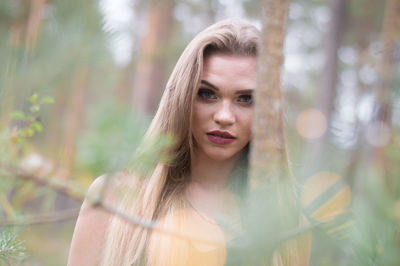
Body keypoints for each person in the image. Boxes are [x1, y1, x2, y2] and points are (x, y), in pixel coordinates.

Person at [68, 18, 310, 266]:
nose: (224, 116)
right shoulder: (114, 197)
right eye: (207, 94)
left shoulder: (288, 221)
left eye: (246, 99)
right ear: (183, 98)